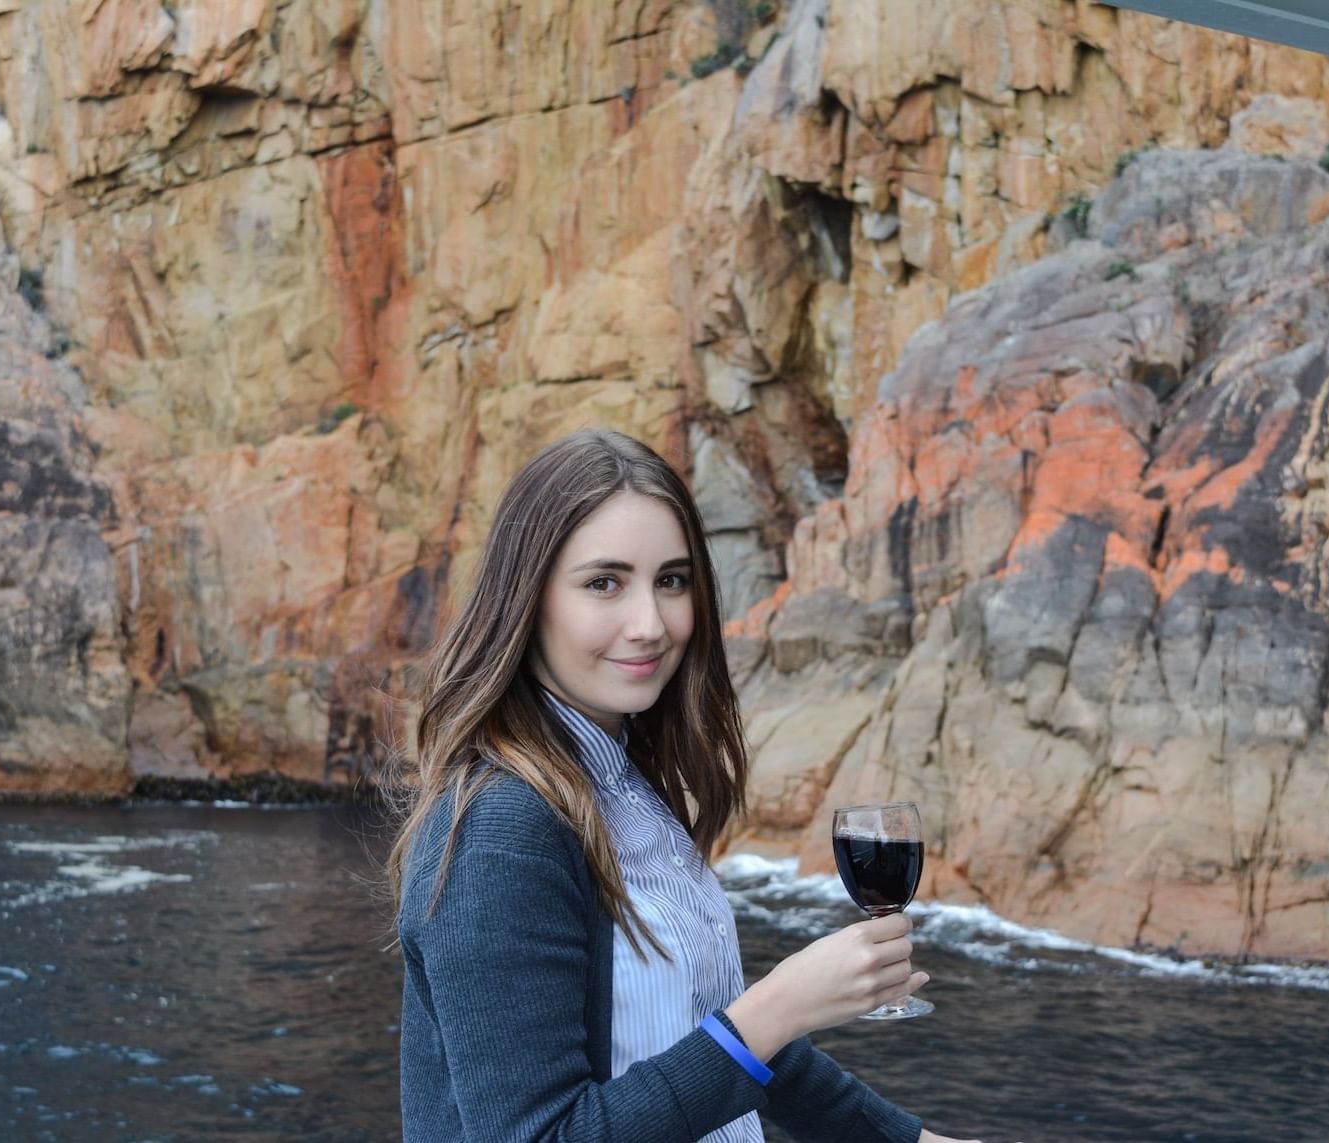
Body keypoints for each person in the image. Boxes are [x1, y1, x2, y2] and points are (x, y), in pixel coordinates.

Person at [387, 429, 983, 1143]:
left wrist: (908, 1140)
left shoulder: (622, 787)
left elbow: (707, 1032)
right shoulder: (503, 825)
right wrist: (779, 1006)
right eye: (603, 582)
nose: (650, 624)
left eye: (671, 580)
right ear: (528, 596)